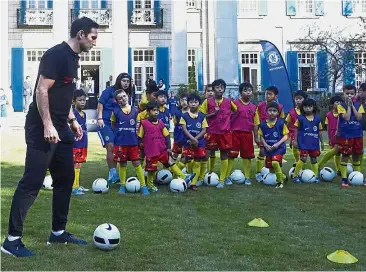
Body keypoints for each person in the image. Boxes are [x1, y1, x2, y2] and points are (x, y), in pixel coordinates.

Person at [1, 17, 99, 257]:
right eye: (93, 37)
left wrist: (72, 121)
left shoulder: (74, 58)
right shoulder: (56, 55)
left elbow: (61, 95)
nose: (95, 42)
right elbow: (41, 90)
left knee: (65, 178)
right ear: (81, 35)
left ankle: (58, 232)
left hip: (61, 127)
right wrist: (47, 125)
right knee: (32, 182)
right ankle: (11, 241)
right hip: (41, 127)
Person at [137, 101, 195, 192]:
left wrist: (168, 148)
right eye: (153, 110)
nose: (156, 112)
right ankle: (150, 185)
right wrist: (140, 147)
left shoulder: (160, 123)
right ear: (148, 112)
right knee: (152, 169)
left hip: (162, 149)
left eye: (157, 110)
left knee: (171, 161)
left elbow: (167, 135)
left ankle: (183, 176)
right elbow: (140, 137)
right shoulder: (144, 124)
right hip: (151, 151)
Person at [200, 79, 238, 188]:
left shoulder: (228, 102)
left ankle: (222, 179)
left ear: (224, 89)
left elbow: (235, 111)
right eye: (217, 87)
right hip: (211, 132)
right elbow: (202, 116)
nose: (220, 89)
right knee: (205, 154)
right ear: (213, 89)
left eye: (222, 87)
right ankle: (202, 178)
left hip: (224, 133)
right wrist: (213, 114)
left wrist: (227, 120)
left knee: (224, 155)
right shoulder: (207, 102)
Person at [110, 89, 149, 196]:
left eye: (124, 96)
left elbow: (140, 124)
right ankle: (122, 186)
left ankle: (143, 186)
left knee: (136, 163)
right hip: (121, 143)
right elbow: (113, 124)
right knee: (122, 164)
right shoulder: (116, 111)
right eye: (119, 98)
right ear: (117, 101)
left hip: (133, 142)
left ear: (127, 95)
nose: (122, 99)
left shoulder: (136, 110)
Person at [97, 72, 132, 184]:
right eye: (124, 81)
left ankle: (117, 173)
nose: (126, 83)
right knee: (110, 146)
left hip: (119, 124)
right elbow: (100, 103)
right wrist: (99, 118)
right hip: (105, 122)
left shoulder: (128, 94)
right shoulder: (109, 91)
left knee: (118, 148)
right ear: (118, 81)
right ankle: (112, 173)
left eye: (128, 81)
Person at [228, 82, 259, 185]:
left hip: (247, 134)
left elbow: (255, 123)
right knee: (231, 155)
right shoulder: (234, 104)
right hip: (234, 133)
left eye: (250, 90)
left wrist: (256, 137)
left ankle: (247, 176)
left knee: (247, 156)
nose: (248, 93)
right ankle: (227, 176)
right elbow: (227, 118)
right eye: (245, 90)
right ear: (241, 93)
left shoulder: (254, 107)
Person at [255, 86, 285, 182]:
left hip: (276, 135)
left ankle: (277, 172)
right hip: (264, 134)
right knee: (262, 152)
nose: (267, 95)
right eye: (266, 93)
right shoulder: (260, 106)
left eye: (270, 94)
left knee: (276, 154)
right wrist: (257, 136)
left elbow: (282, 121)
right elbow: (256, 121)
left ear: (275, 96)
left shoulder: (280, 107)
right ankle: (259, 172)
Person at [337, 85, 364, 188]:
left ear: (355, 94)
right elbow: (347, 118)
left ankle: (359, 176)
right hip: (346, 135)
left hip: (357, 134)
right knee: (345, 155)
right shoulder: (341, 106)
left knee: (357, 155)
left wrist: (352, 106)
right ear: (343, 93)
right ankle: (344, 178)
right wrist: (348, 106)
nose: (349, 95)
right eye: (347, 93)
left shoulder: (359, 105)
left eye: (352, 93)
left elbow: (358, 117)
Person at [180, 94, 208, 190]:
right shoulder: (184, 116)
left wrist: (196, 139)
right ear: (188, 103)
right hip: (188, 141)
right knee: (185, 159)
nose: (193, 104)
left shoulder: (202, 116)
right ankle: (176, 175)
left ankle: (193, 183)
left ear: (199, 104)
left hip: (199, 143)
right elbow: (184, 129)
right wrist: (192, 139)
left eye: (195, 102)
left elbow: (204, 130)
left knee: (197, 161)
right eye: (191, 102)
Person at [292, 98, 324, 184]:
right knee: (303, 158)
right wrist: (295, 140)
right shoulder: (300, 118)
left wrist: (322, 142)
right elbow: (295, 129)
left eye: (310, 106)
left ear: (313, 107)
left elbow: (320, 131)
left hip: (314, 142)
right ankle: (295, 176)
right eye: (305, 107)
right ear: (303, 108)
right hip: (303, 142)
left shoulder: (317, 119)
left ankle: (316, 176)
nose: (308, 108)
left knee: (314, 159)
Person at [258, 102, 288, 189]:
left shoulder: (281, 123)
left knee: (275, 162)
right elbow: (261, 136)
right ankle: (283, 177)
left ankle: (280, 183)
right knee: (271, 169)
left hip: (279, 148)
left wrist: (278, 144)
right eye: (270, 110)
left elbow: (286, 136)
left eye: (274, 111)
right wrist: (265, 145)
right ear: (266, 112)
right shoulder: (263, 124)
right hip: (269, 148)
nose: (272, 112)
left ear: (278, 113)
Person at [318, 95, 343, 174]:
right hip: (333, 136)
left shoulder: (343, 113)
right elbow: (328, 127)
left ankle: (339, 169)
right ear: (332, 104)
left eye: (340, 102)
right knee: (336, 152)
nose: (339, 103)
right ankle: (320, 165)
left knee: (338, 152)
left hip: (342, 135)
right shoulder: (329, 115)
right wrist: (329, 138)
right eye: (336, 102)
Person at [71, 89, 89, 196]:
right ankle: (74, 187)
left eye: (84, 100)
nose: (82, 102)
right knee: (76, 164)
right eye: (80, 100)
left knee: (79, 164)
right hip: (76, 143)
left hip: (83, 143)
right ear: (74, 101)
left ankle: (77, 184)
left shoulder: (84, 114)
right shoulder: (73, 114)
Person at [285, 91, 308, 164]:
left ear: (304, 99)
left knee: (303, 150)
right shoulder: (291, 112)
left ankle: (301, 162)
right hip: (293, 134)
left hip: (305, 134)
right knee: (295, 147)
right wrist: (288, 136)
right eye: (296, 99)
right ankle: (297, 161)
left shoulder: (307, 111)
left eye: (300, 99)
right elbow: (287, 125)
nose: (298, 100)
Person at [171, 93, 189, 167]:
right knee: (175, 154)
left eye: (186, 100)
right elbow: (175, 123)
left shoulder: (191, 112)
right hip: (178, 137)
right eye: (182, 100)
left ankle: (178, 171)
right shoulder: (177, 113)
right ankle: (171, 170)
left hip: (187, 138)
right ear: (179, 102)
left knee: (185, 155)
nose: (184, 102)